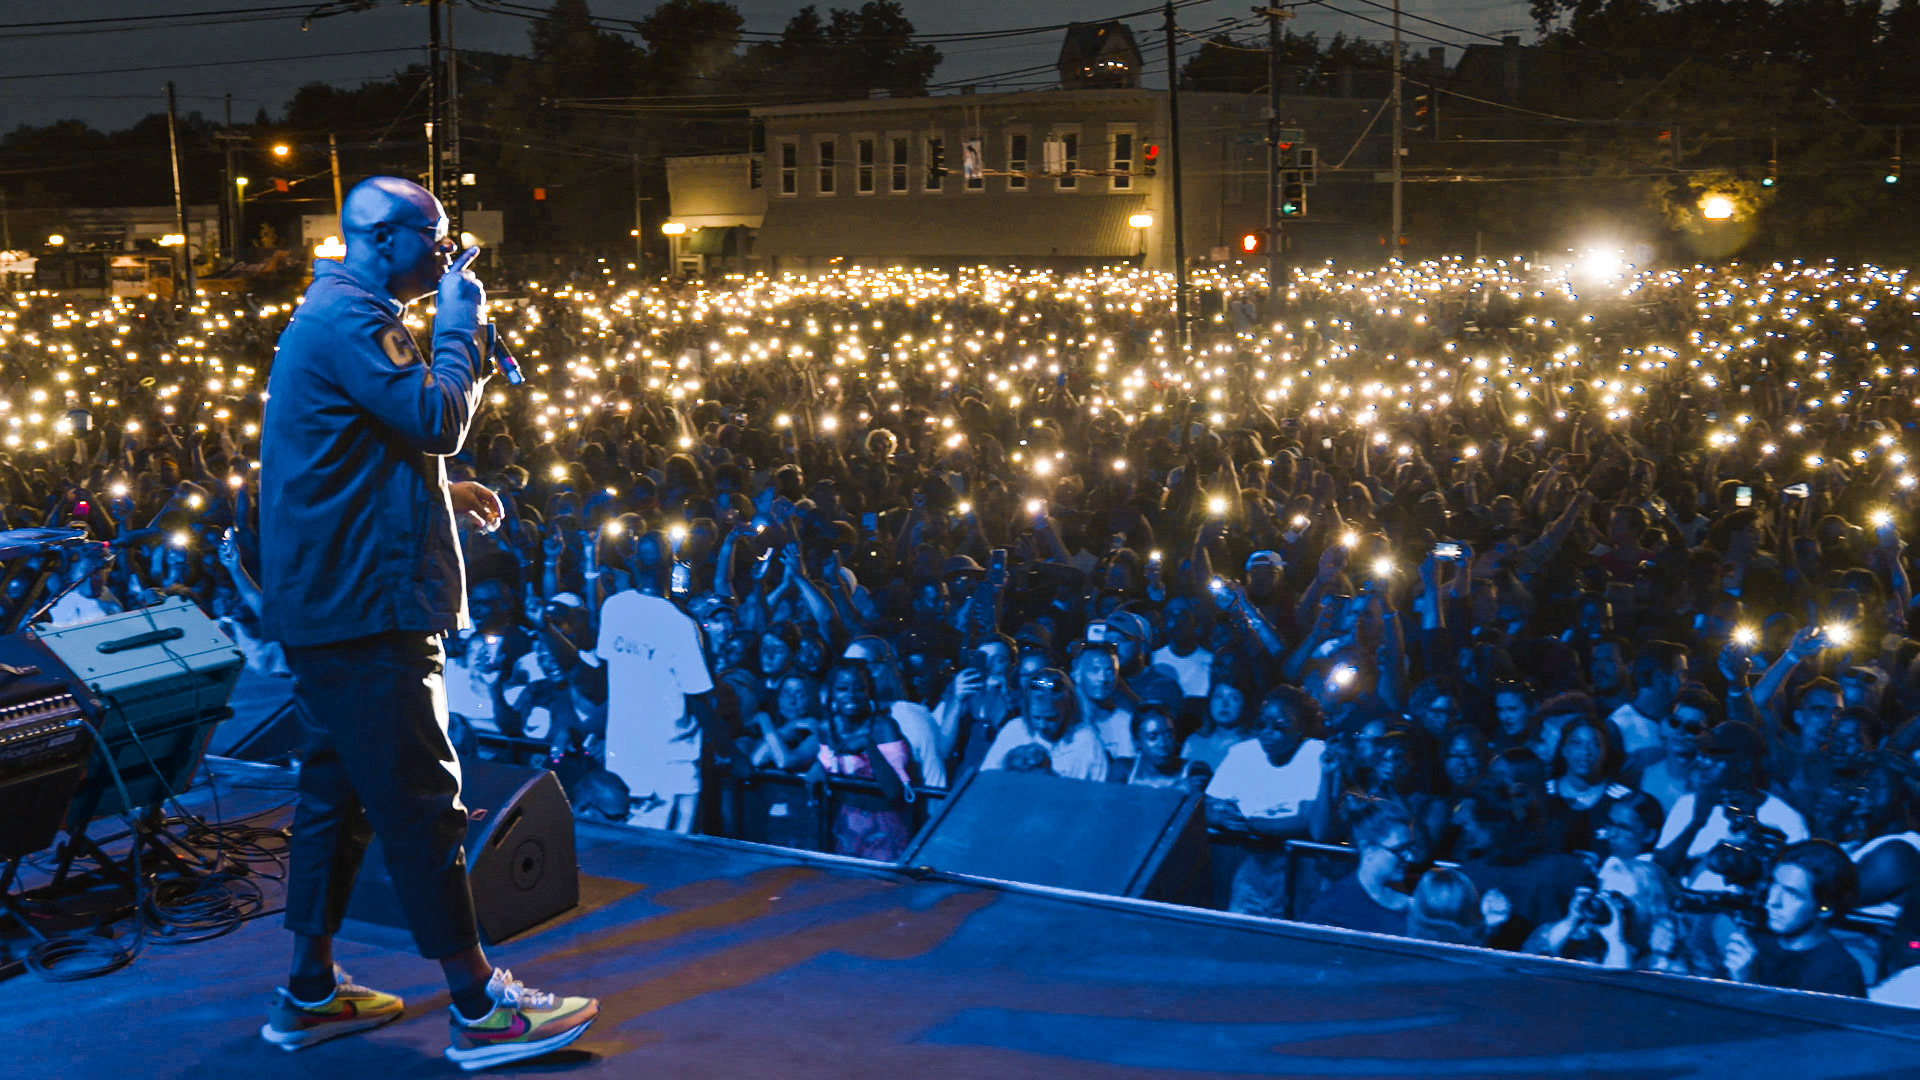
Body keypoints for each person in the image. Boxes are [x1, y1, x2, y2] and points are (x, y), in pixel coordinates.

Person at [256, 176, 596, 1066]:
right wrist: (460, 325)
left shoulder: (337, 313)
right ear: (382, 239)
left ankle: (309, 992)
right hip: (367, 605)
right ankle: (480, 1007)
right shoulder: (351, 319)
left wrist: (443, 488)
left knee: (336, 798)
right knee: (421, 801)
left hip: (332, 599)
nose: (447, 253)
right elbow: (438, 416)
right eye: (435, 238)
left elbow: (349, 451)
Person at [598, 529, 715, 832]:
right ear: (671, 566)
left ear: (635, 562)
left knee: (628, 848)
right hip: (671, 764)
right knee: (672, 852)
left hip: (625, 756)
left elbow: (608, 672)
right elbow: (697, 696)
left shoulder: (614, 608)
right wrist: (730, 752)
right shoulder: (680, 624)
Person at [1722, 840, 1867, 997]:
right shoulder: (1756, 943)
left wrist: (1748, 982)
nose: (1772, 901)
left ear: (1825, 908)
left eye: (1792, 893)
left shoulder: (1839, 972)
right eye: (1774, 884)